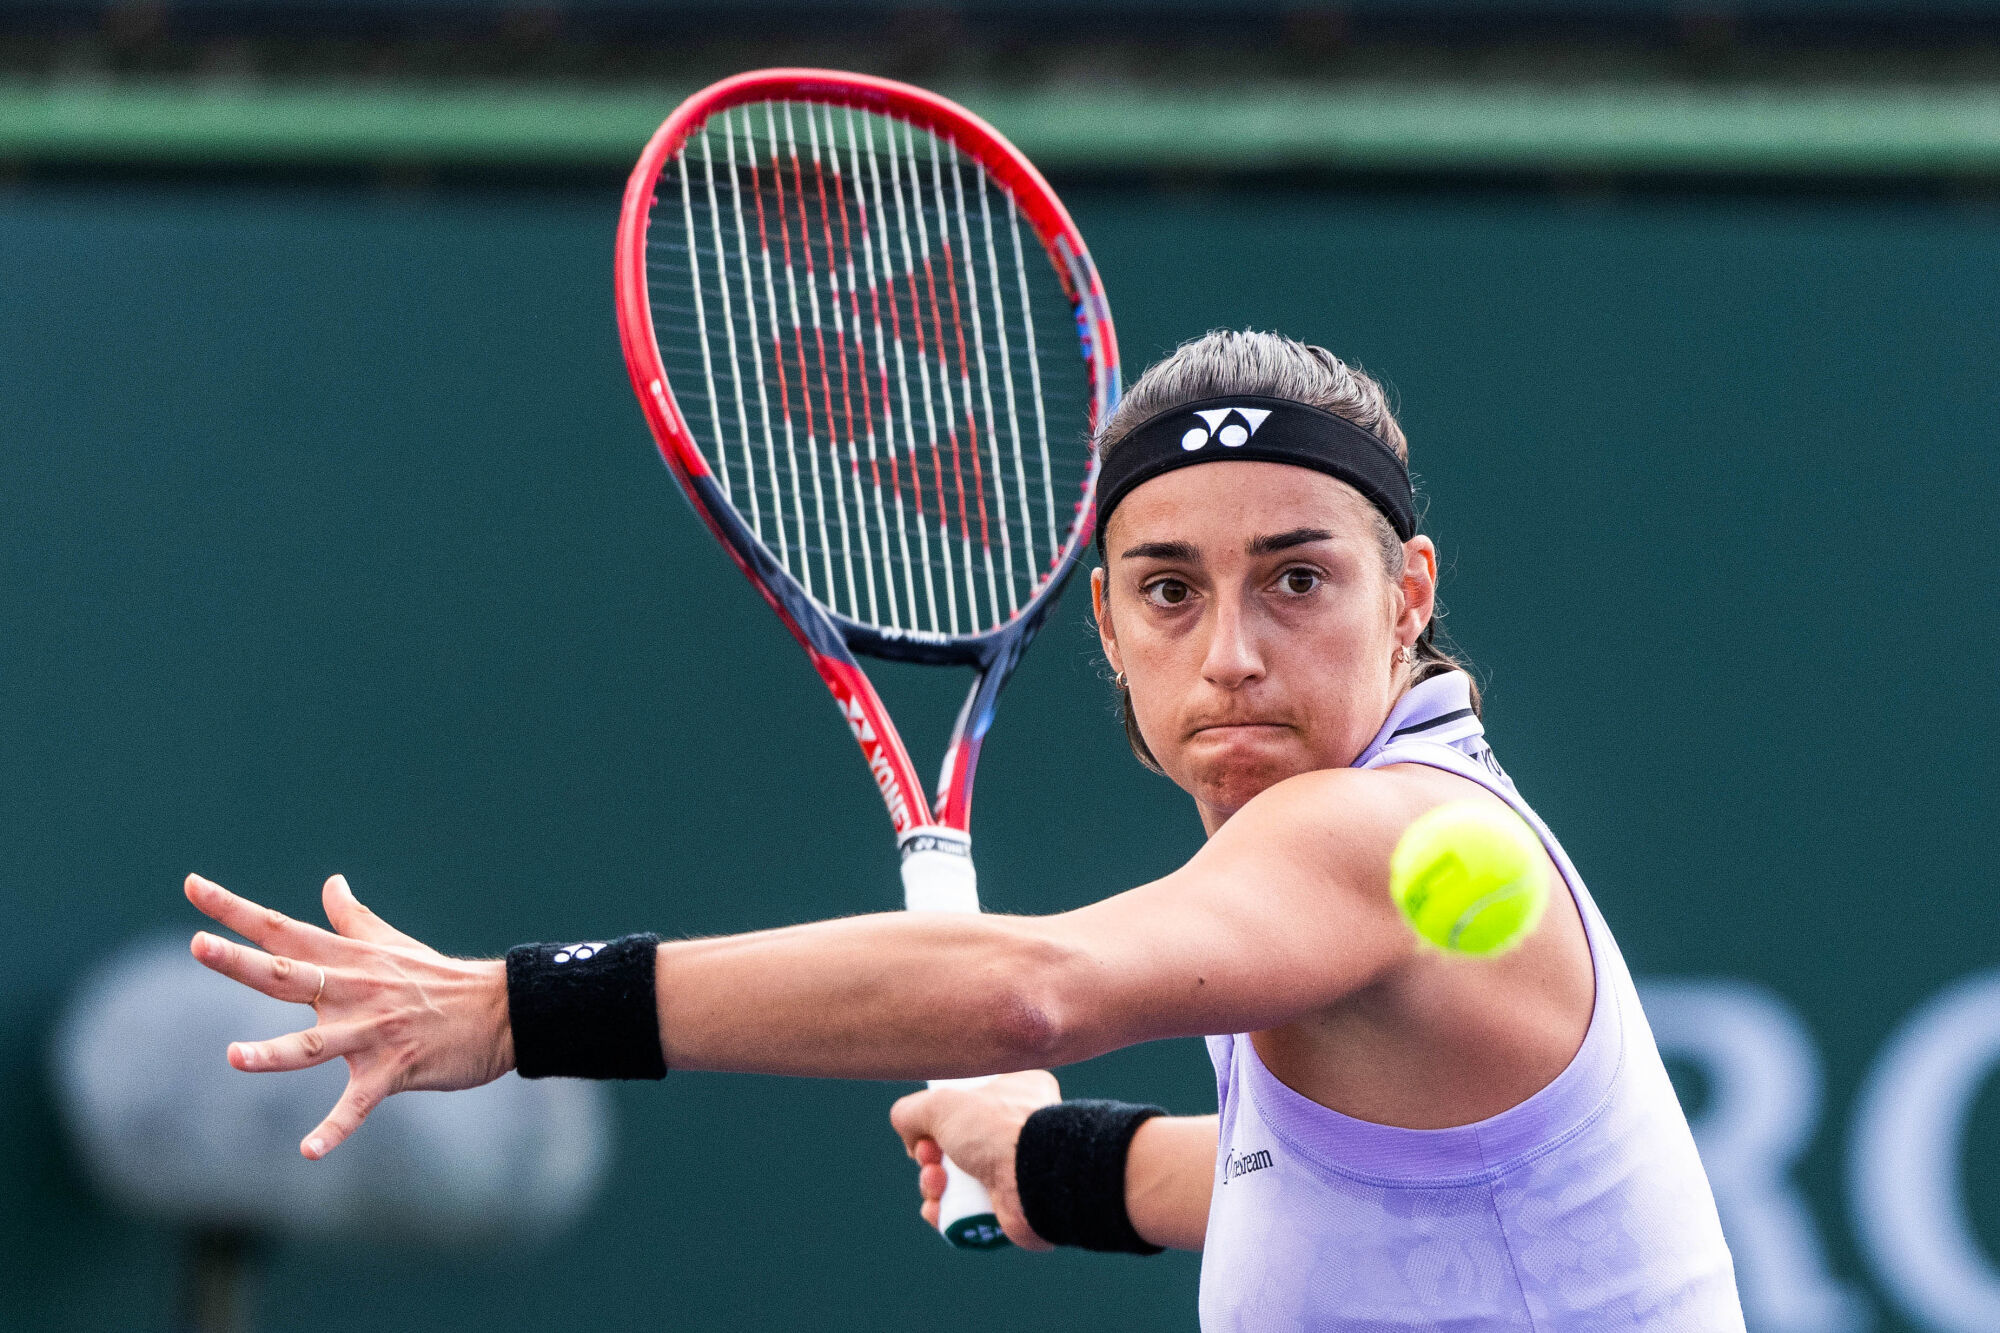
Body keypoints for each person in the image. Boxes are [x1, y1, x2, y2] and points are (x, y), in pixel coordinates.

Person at [185, 330, 1745, 1329]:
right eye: (1171, 589)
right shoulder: (1370, 837)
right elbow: (1336, 1189)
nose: (1233, 653)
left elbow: (1028, 993)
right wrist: (1059, 1163)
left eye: (1297, 578)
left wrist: (519, 1007)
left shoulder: (1377, 835)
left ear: (1406, 596)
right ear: (1109, 627)